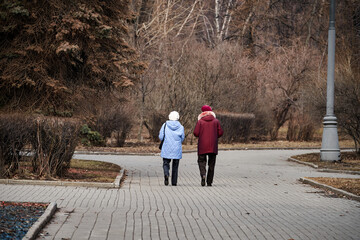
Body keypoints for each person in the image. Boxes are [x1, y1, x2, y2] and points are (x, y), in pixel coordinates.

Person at [193, 105, 223, 186]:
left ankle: (203, 175)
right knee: (212, 163)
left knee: (201, 161)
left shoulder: (200, 122)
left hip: (202, 145)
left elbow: (196, 133)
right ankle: (209, 181)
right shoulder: (216, 121)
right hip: (213, 146)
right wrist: (215, 136)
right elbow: (220, 133)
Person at [159, 111, 185, 186]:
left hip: (166, 147)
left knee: (166, 163)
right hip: (177, 148)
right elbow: (182, 138)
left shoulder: (165, 125)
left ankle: (166, 174)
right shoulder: (181, 127)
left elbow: (161, 137)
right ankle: (174, 182)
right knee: (175, 166)